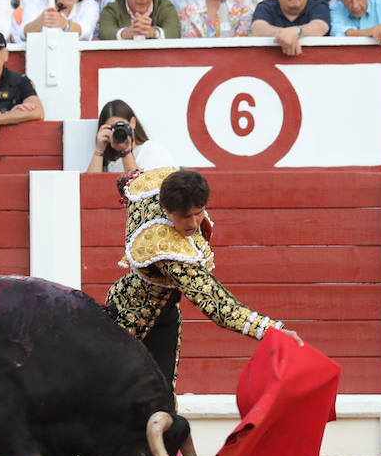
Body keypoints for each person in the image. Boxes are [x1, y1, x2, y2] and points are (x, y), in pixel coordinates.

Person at [105, 166, 302, 391]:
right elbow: (214, 302)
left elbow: (134, 179)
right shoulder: (164, 247)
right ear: (167, 209)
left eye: (198, 212)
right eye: (184, 216)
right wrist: (270, 330)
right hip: (127, 319)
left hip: (165, 316)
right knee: (115, 394)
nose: (193, 223)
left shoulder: (157, 185)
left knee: (162, 398)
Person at [249, 0, 330, 55]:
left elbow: (320, 26)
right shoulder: (265, 7)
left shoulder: (319, 6)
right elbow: (257, 28)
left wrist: (297, 32)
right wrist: (287, 35)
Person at [86, 99, 174, 174]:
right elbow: (90, 186)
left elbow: (138, 189)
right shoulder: (112, 162)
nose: (117, 132)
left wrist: (125, 151)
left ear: (132, 123)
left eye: (121, 126)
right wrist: (99, 150)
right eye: (112, 129)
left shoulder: (151, 151)